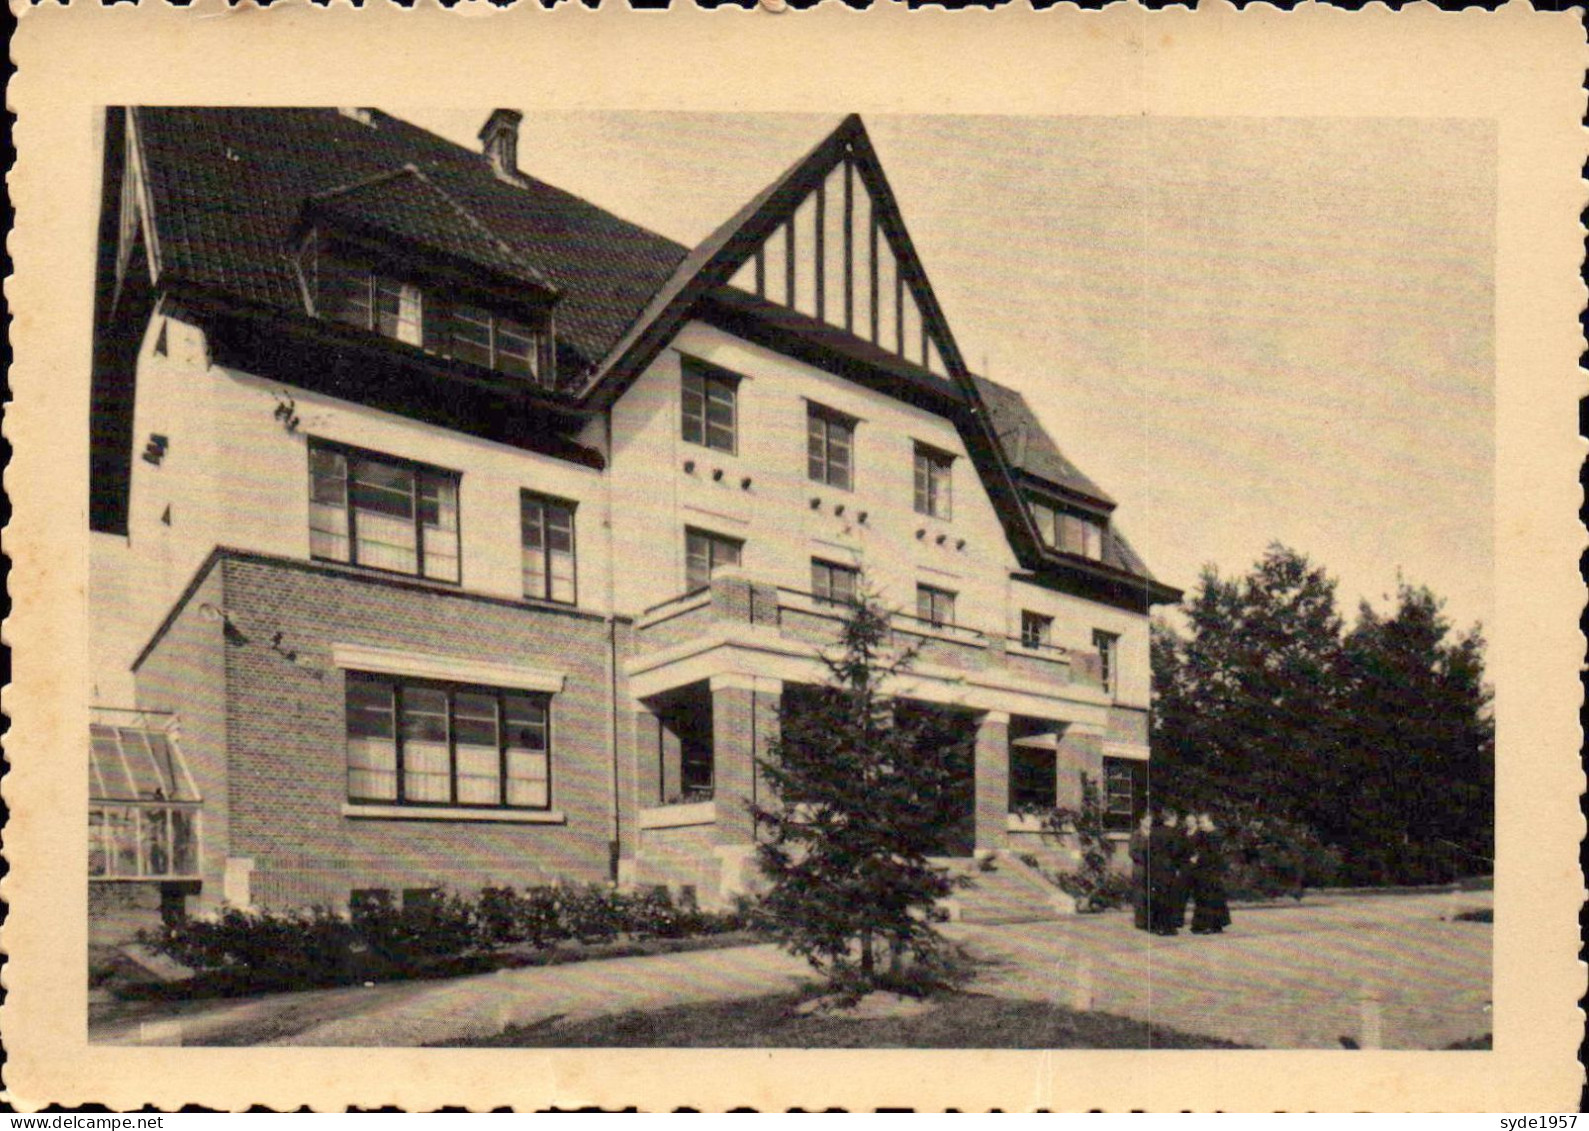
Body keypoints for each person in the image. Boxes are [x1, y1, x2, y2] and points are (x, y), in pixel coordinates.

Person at [1189, 812, 1233, 935]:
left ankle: (1211, 924)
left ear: (1210, 822)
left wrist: (1198, 858)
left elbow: (1213, 855)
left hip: (1211, 870)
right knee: (1202, 897)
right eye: (1199, 822)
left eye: (1203, 822)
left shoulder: (1215, 835)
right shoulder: (1203, 834)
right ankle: (1201, 924)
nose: (1200, 825)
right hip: (1203, 870)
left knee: (1210, 898)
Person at [1147, 809, 1187, 935]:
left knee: (1157, 896)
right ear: (1171, 818)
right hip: (1169, 868)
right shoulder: (1175, 833)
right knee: (1169, 897)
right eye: (1175, 819)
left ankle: (1155, 925)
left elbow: (1148, 851)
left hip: (1155, 867)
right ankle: (1167, 927)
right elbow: (1176, 852)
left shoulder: (1154, 832)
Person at [1128, 812, 1152, 931]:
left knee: (1149, 894)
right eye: (1147, 820)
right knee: (1139, 894)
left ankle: (1149, 920)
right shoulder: (1136, 834)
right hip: (1140, 868)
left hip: (1151, 868)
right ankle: (1140, 921)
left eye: (1150, 821)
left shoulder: (1152, 834)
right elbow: (1132, 852)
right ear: (1141, 821)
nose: (1149, 823)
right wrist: (1145, 859)